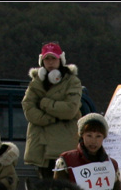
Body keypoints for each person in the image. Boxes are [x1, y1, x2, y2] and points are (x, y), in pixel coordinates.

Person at [22, 41, 82, 179]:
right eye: (46, 58)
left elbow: (70, 110)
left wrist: (44, 103)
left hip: (63, 147)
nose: (50, 62)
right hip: (40, 149)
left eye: (53, 58)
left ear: (60, 60)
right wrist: (51, 117)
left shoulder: (72, 81)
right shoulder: (35, 83)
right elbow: (28, 108)